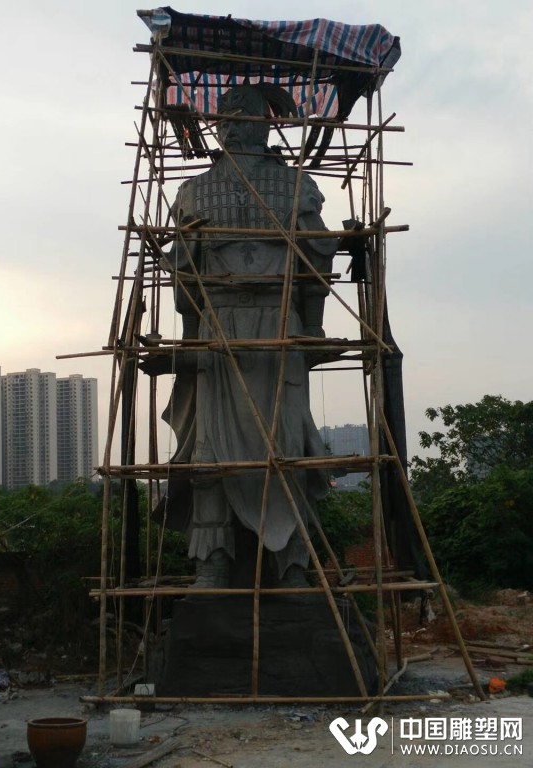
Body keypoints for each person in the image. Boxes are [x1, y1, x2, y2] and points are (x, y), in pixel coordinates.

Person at [142, 85, 338, 588]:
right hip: (222, 329)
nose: (230, 126)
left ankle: (291, 564)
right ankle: (212, 562)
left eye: (240, 117)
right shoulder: (195, 191)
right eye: (225, 118)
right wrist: (191, 344)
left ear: (263, 124)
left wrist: (313, 328)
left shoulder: (296, 186)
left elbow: (316, 260)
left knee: (285, 445)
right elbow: (186, 279)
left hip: (278, 326)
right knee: (210, 450)